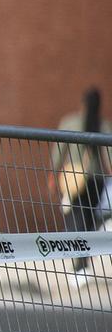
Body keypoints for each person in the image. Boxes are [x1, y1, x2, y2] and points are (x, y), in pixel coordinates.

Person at [54, 86, 109, 277]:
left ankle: (78, 263)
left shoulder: (70, 122)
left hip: (73, 179)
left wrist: (53, 174)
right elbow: (109, 158)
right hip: (96, 180)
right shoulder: (103, 126)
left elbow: (58, 152)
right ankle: (83, 262)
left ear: (82, 103)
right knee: (89, 219)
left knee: (75, 218)